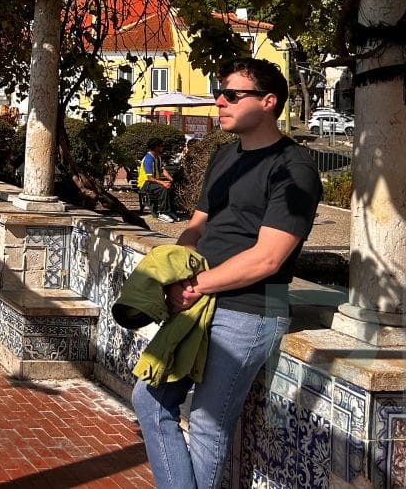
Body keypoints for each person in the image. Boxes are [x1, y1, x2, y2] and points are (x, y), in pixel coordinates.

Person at [131, 58, 322, 489]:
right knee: (149, 396)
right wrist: (180, 268)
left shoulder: (295, 169)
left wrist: (195, 286)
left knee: (206, 424)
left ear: (269, 102)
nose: (220, 101)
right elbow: (198, 225)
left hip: (250, 309)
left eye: (232, 94)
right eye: (220, 92)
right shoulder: (223, 157)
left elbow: (268, 258)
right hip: (199, 300)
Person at [138, 137, 177, 222]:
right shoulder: (148, 159)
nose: (162, 148)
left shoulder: (158, 157)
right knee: (163, 188)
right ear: (156, 147)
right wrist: (163, 183)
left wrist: (171, 179)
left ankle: (170, 211)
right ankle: (163, 213)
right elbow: (149, 178)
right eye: (161, 146)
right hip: (145, 183)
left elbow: (162, 169)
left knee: (171, 186)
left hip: (154, 182)